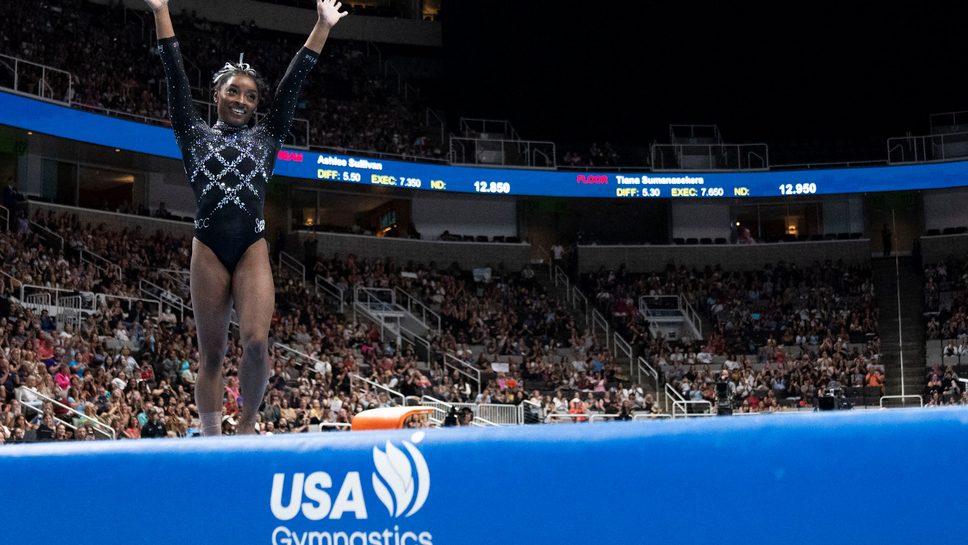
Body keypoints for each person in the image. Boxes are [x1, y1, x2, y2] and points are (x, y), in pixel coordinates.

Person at [143, 0, 347, 436]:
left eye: (251, 95)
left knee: (256, 344)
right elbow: (174, 73)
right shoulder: (192, 133)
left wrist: (322, 26)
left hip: (251, 247)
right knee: (212, 356)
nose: (241, 100)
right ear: (216, 94)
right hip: (209, 249)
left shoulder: (268, 135)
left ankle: (247, 427)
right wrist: (161, 9)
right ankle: (212, 438)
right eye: (233, 91)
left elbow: (294, 82)